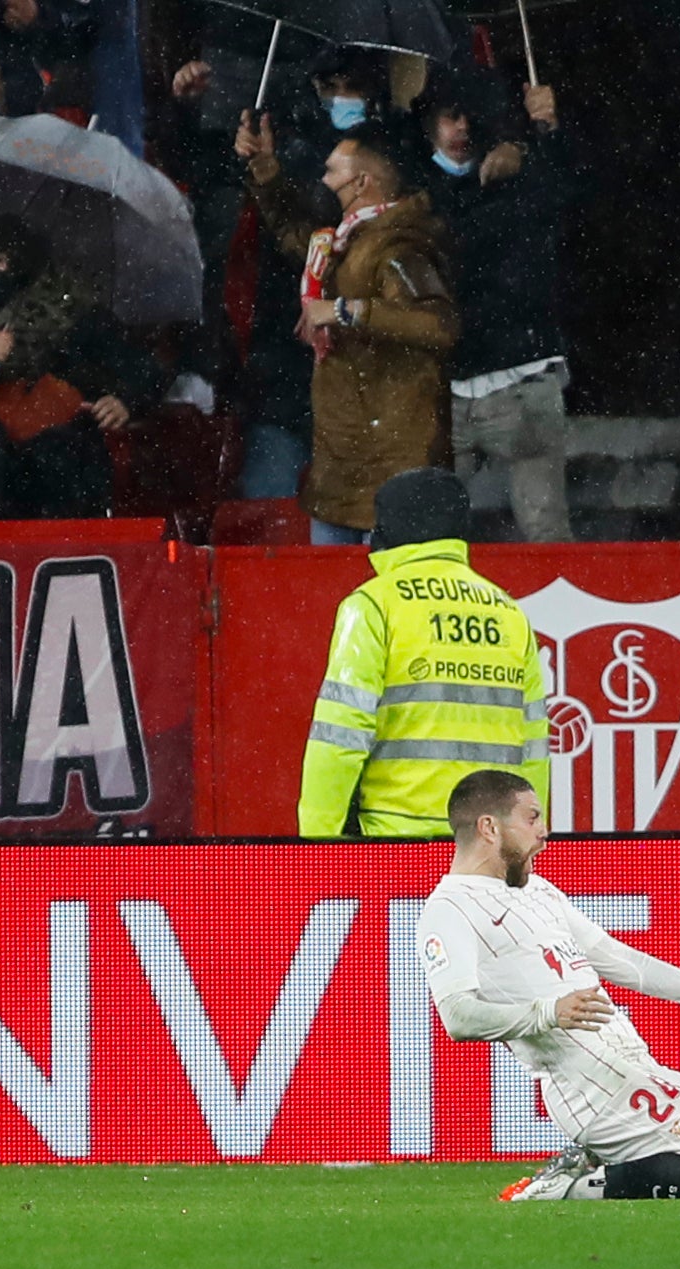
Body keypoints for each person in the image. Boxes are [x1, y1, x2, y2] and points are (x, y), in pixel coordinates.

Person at [418, 769, 680, 1201]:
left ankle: (589, 1171)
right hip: (587, 1085)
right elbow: (458, 1016)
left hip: (632, 1062)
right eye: (533, 818)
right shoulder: (449, 909)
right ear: (489, 827)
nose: (544, 831)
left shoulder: (539, 891)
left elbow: (621, 961)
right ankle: (564, 1190)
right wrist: (548, 1012)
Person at [236, 111, 458, 544]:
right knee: (333, 602)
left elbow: (439, 324)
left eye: (332, 170)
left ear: (361, 184)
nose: (322, 179)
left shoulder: (399, 248)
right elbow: (289, 231)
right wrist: (265, 166)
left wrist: (343, 310)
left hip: (390, 469)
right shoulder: (341, 242)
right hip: (342, 465)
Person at [298, 468, 549, 838]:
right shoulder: (509, 612)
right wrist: (527, 838)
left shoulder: (373, 605)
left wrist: (317, 841)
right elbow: (534, 749)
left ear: (386, 529)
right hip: (486, 847)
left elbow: (340, 737)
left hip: (396, 839)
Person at [418, 69, 584, 544]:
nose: (463, 128)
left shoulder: (524, 177)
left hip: (521, 377)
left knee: (546, 532)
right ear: (429, 123)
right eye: (451, 117)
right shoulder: (414, 187)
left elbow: (568, 192)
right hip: (447, 386)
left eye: (473, 118)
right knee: (427, 540)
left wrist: (546, 133)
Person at [0, 215, 163, 519]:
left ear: (20, 264)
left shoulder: (70, 312)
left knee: (58, 451)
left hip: (63, 444)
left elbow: (142, 368)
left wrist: (125, 401)